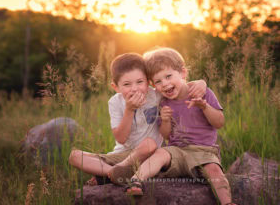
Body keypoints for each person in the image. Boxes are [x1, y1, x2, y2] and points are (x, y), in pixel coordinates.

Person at [69, 52, 206, 185]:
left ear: (148, 82)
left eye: (140, 82)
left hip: (149, 154)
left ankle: (110, 175)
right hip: (124, 156)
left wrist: (201, 83)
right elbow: (121, 138)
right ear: (116, 87)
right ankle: (114, 172)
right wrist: (129, 110)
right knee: (75, 156)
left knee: (150, 143)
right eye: (127, 84)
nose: (134, 89)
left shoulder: (156, 96)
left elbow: (178, 85)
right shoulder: (115, 102)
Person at [125, 47, 235, 205]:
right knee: (160, 153)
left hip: (203, 151)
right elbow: (166, 136)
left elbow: (219, 122)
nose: (165, 84)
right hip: (177, 151)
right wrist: (165, 120)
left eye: (168, 76)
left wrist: (205, 107)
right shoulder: (163, 103)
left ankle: (227, 202)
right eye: (158, 81)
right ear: (153, 85)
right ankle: (136, 180)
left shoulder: (202, 93)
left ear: (183, 73)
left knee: (214, 170)